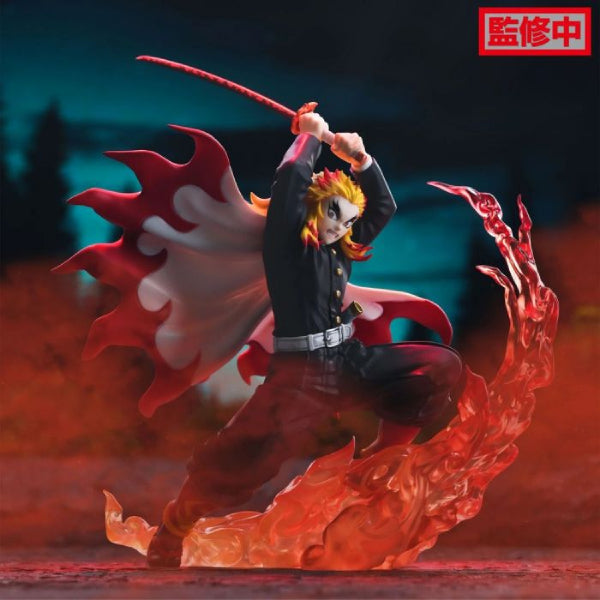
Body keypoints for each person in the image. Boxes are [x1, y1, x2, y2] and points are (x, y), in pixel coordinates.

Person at [146, 113, 463, 567]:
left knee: (437, 366)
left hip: (348, 361)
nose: (340, 227)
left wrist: (361, 159)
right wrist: (310, 139)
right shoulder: (288, 244)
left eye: (348, 220)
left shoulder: (340, 246)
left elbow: (382, 208)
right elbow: (291, 185)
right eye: (333, 213)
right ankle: (176, 525)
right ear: (313, 207)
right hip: (297, 381)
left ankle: (380, 460)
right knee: (242, 462)